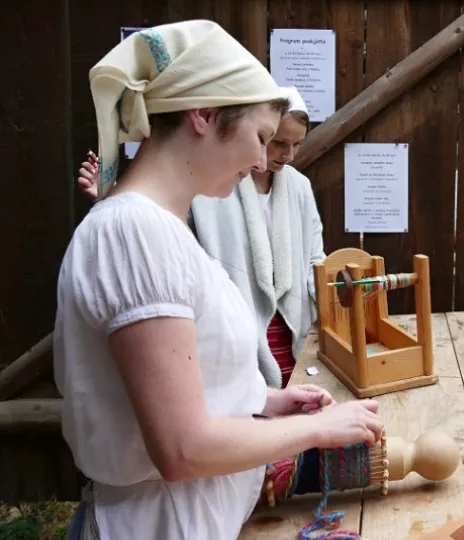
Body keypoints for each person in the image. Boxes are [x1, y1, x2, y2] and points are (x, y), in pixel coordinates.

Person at [55, 21, 382, 539]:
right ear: (204, 114)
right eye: (259, 137)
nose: (260, 160)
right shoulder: (133, 231)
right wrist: (314, 430)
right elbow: (182, 449)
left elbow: (178, 384)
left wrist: (263, 402)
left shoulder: (165, 230)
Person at [77, 87, 324, 389]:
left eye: (297, 144)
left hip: (287, 336)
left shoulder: (297, 187)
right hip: (230, 344)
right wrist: (114, 197)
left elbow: (316, 259)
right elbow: (183, 429)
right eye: (269, 141)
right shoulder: (203, 190)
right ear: (203, 120)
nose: (284, 156)